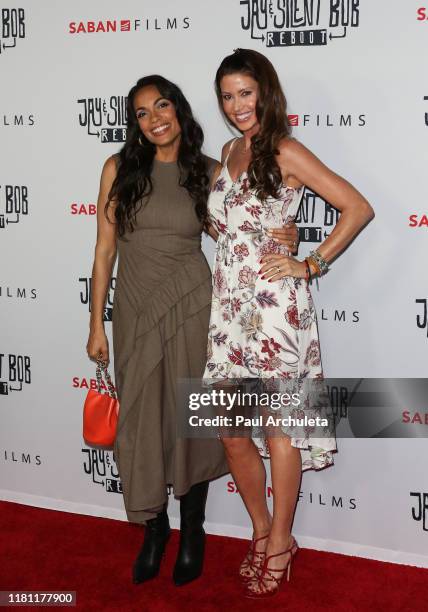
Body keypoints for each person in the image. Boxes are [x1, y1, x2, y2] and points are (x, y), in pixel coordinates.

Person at [86, 74, 299, 587]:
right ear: (135, 124)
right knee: (141, 421)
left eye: (162, 106)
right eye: (142, 112)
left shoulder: (207, 171)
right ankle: (154, 530)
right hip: (136, 308)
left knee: (192, 421)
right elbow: (103, 251)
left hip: (192, 307)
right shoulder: (118, 168)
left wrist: (288, 236)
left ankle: (194, 530)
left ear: (179, 111)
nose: (155, 118)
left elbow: (236, 233)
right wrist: (96, 323)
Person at [203, 49, 374, 598]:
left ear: (265, 92)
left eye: (245, 93)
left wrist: (309, 262)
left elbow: (356, 207)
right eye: (228, 96)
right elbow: (225, 229)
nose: (237, 106)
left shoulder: (286, 149)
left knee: (279, 429)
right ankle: (258, 527)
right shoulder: (226, 152)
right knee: (230, 432)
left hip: (277, 309)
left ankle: (280, 539)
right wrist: (258, 238)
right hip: (228, 311)